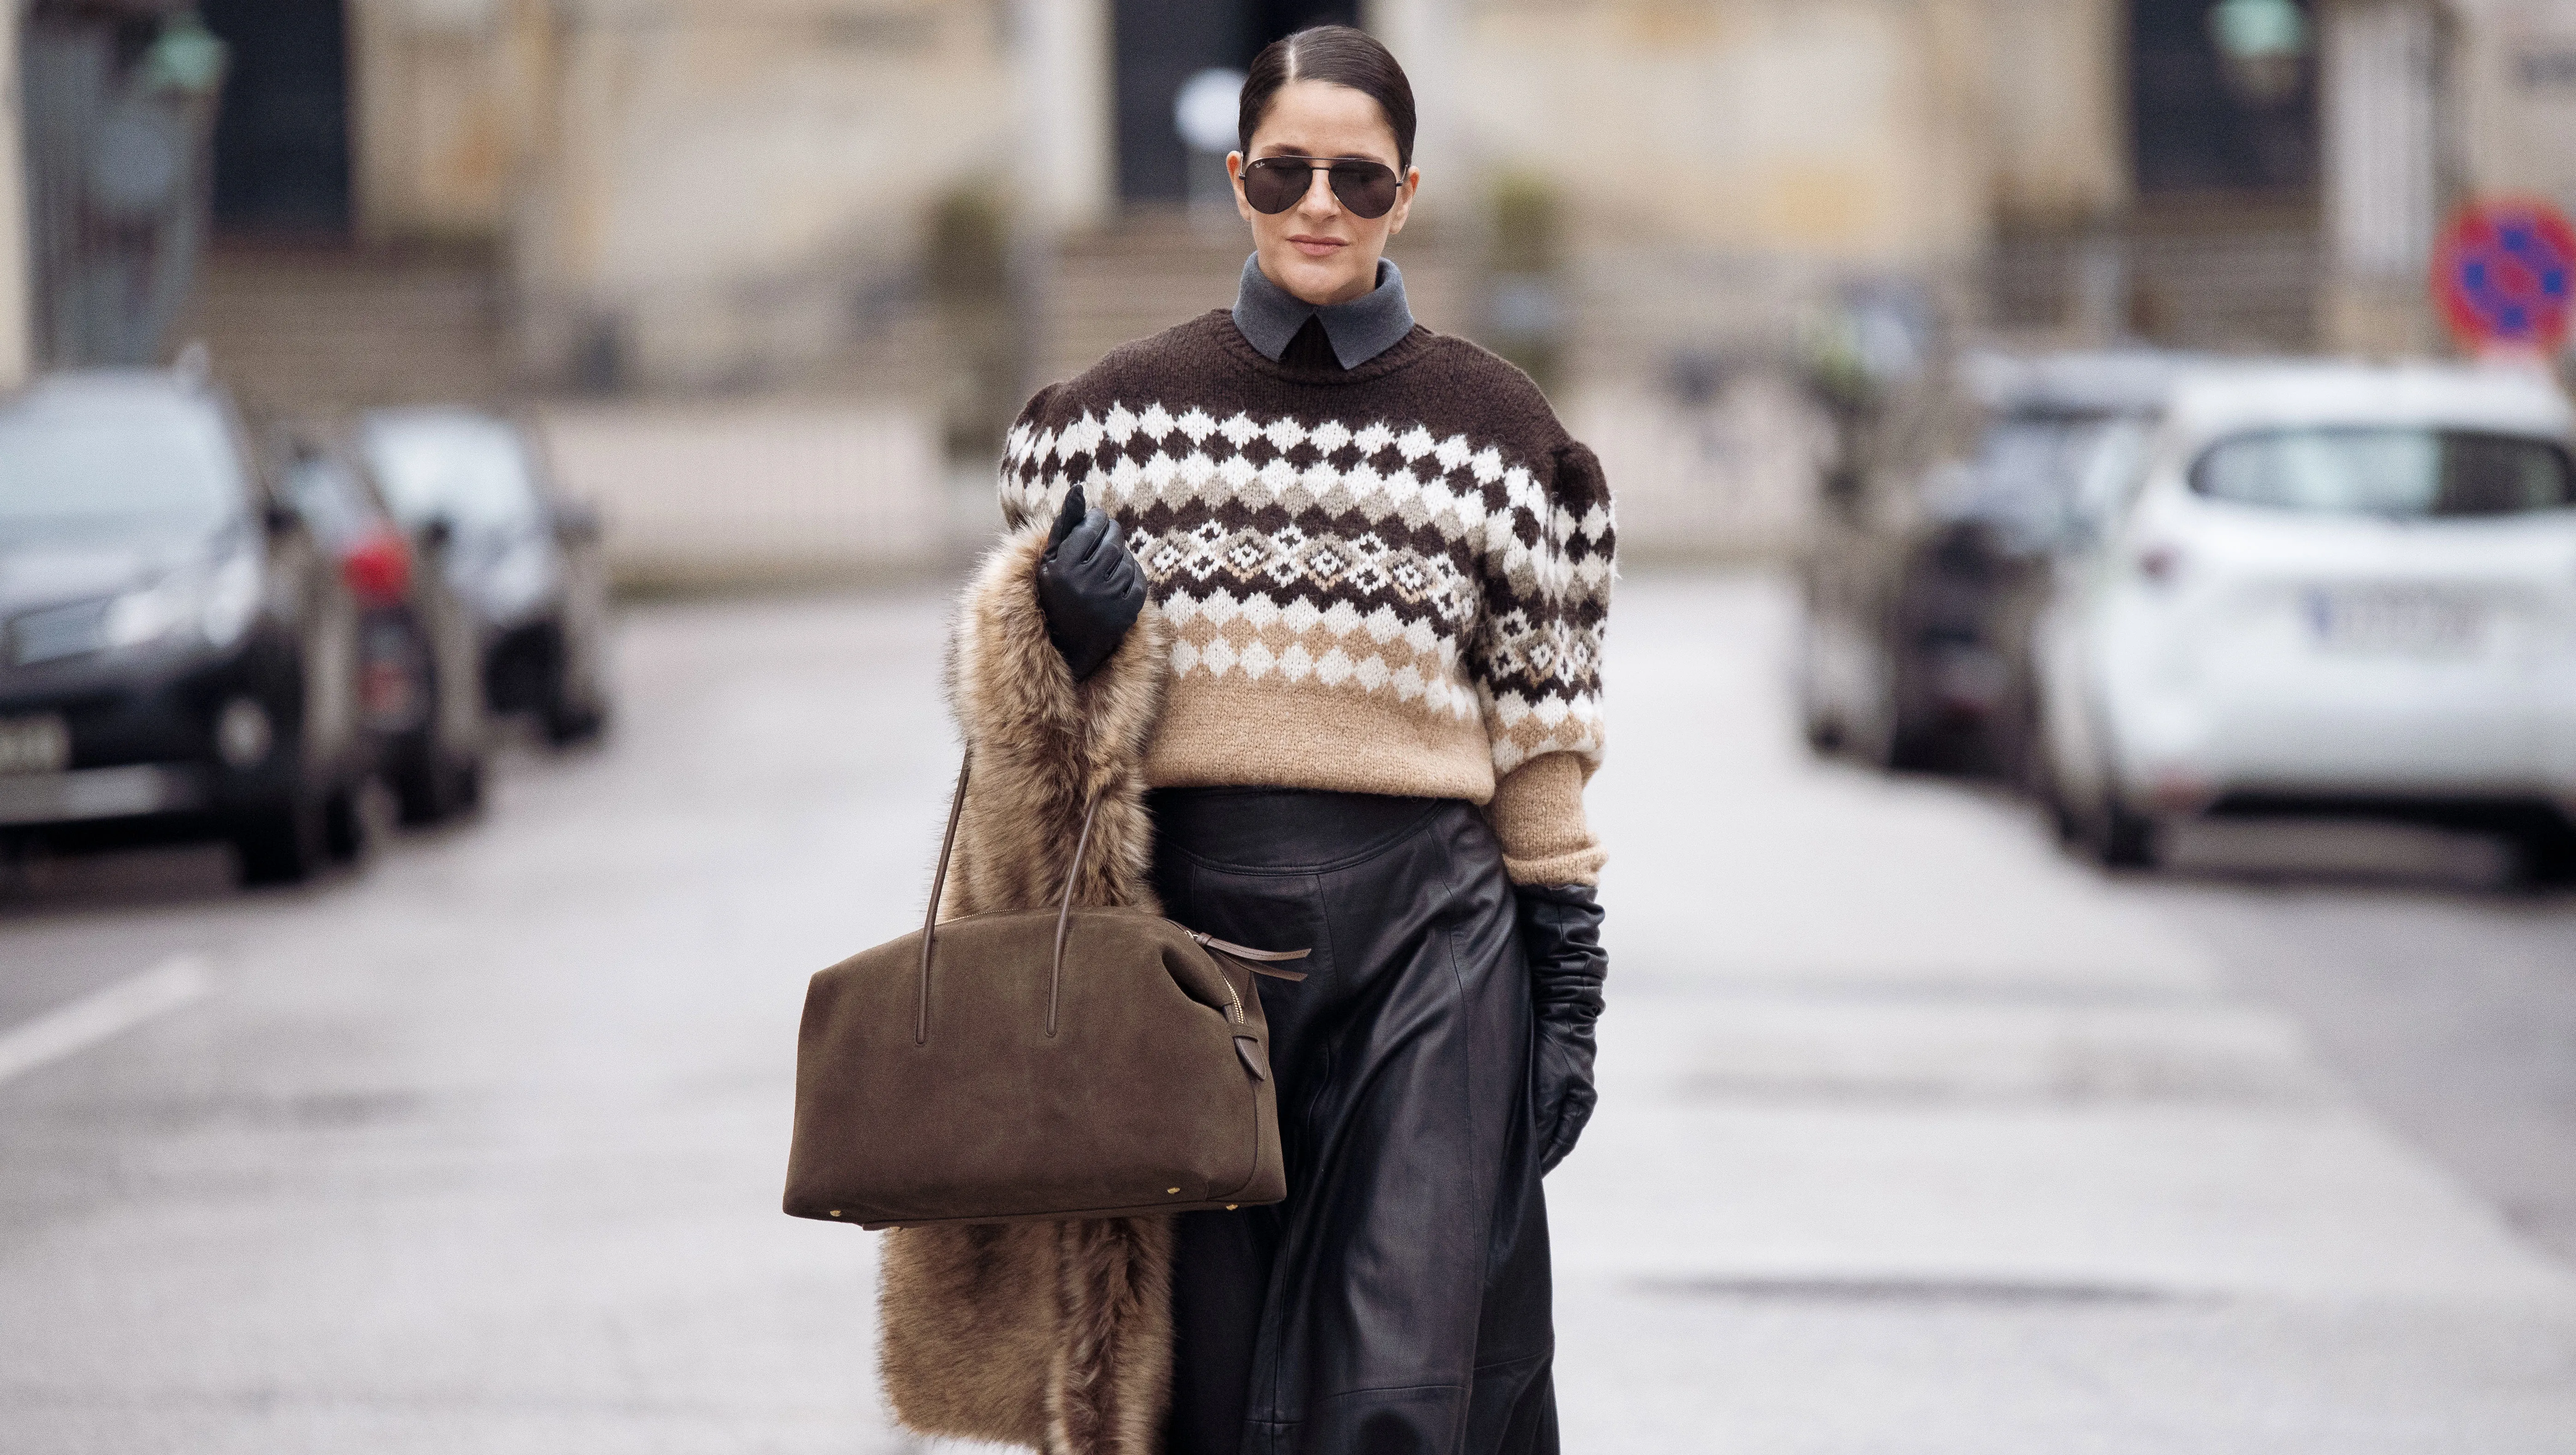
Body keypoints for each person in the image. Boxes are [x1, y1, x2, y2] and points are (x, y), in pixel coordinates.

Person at [888, 24, 1612, 1455]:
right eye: (1285, 171)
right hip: (1182, 958)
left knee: (1399, 1395)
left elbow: (1540, 750)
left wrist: (1570, 988)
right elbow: (1010, 735)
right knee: (1194, 1401)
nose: (1319, 205)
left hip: (1434, 951)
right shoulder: (1093, 430)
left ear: (1408, 193)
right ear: (1237, 179)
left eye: (1357, 175)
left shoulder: (1509, 441)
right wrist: (1058, 644)